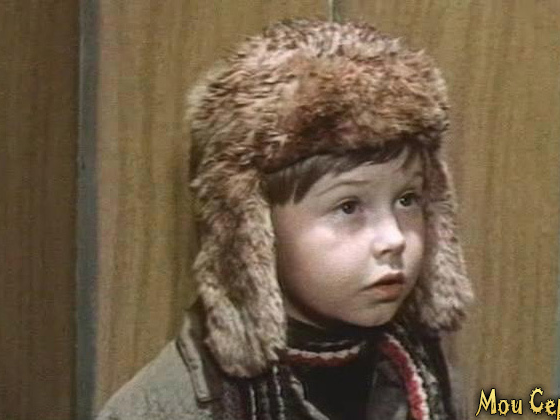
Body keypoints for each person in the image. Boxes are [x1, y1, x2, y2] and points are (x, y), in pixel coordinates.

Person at [97, 18, 473, 420]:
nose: (393, 238)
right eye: (348, 207)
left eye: (407, 199)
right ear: (251, 233)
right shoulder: (167, 408)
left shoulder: (426, 375)